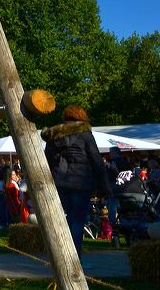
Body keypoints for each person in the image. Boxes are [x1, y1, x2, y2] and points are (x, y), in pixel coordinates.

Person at [42, 105, 111, 256]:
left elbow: (47, 160)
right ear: (81, 117)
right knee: (77, 222)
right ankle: (74, 258)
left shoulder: (53, 135)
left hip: (58, 183)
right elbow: (96, 161)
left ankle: (58, 256)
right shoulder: (85, 134)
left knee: (59, 221)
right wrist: (105, 187)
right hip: (81, 183)